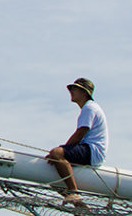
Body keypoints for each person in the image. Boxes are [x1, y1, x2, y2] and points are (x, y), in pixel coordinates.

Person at [45, 77, 108, 206]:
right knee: (53, 176)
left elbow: (80, 133)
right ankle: (80, 206)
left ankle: (73, 192)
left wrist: (59, 152)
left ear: (84, 92)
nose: (71, 91)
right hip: (90, 150)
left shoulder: (89, 108)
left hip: (92, 151)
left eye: (74, 89)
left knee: (56, 154)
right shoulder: (89, 108)